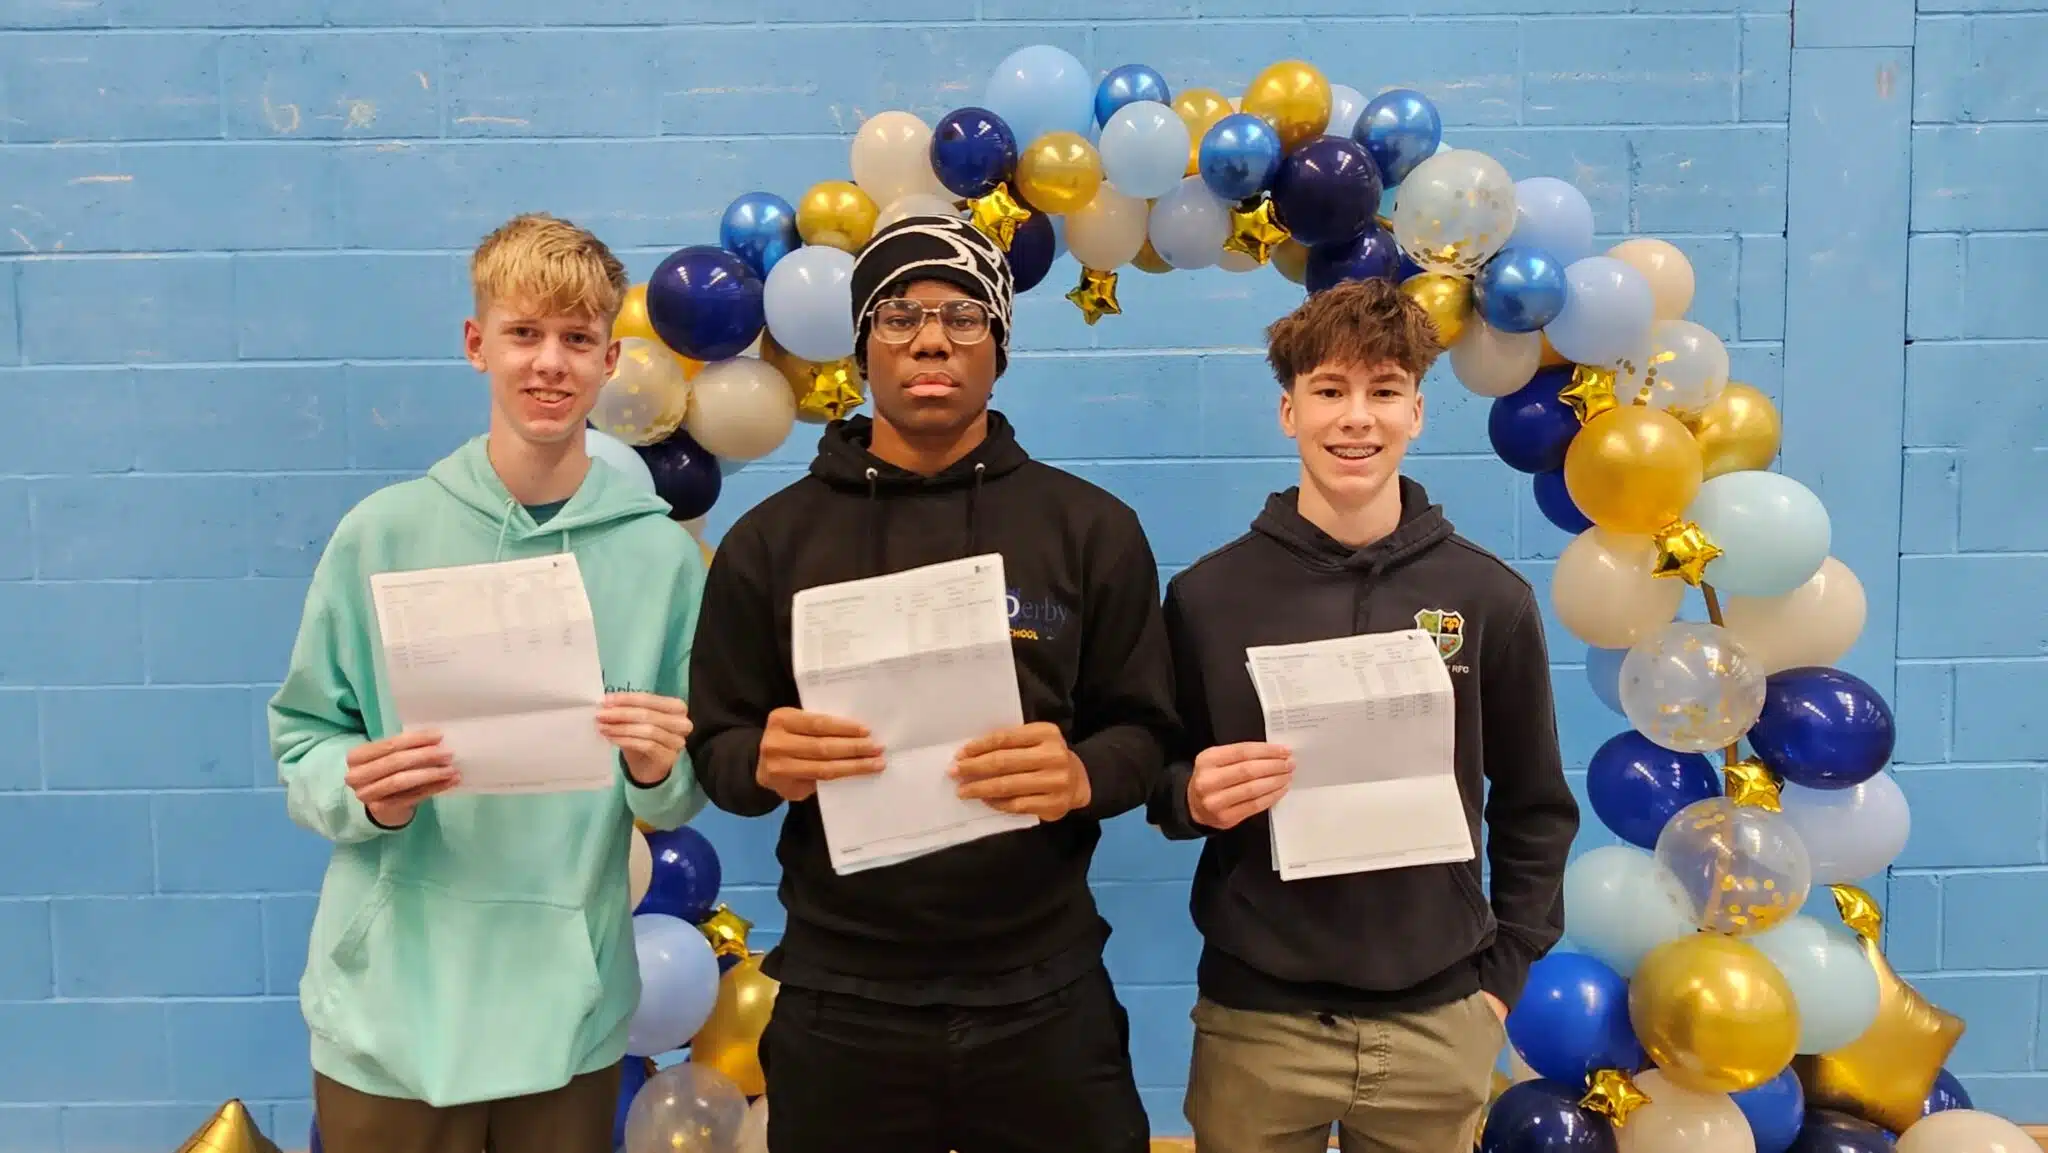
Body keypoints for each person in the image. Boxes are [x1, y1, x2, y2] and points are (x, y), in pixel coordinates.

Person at [684, 214, 1177, 1153]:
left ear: (998, 343)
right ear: (864, 345)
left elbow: (1147, 736)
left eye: (962, 314)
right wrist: (761, 757)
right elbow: (718, 749)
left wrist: (1079, 775)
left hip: (1044, 991)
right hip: (842, 998)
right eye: (899, 314)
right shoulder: (772, 540)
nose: (931, 339)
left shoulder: (1090, 528)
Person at [269, 213, 708, 1153]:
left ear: (610, 359)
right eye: (524, 334)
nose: (550, 363)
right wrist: (363, 791)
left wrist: (656, 764)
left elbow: (679, 787)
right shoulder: (381, 535)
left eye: (577, 339)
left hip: (567, 1013)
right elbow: (305, 738)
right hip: (391, 1012)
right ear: (478, 345)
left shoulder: (662, 559)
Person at [1148, 277, 1580, 1153]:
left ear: (1417, 412)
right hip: (1256, 1023)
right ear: (1288, 412)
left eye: (1383, 391)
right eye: (1330, 391)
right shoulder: (1207, 597)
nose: (1357, 419)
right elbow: (1155, 775)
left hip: (1439, 1019)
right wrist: (1190, 792)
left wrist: (1499, 980)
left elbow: (1536, 804)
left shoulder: (1488, 597)